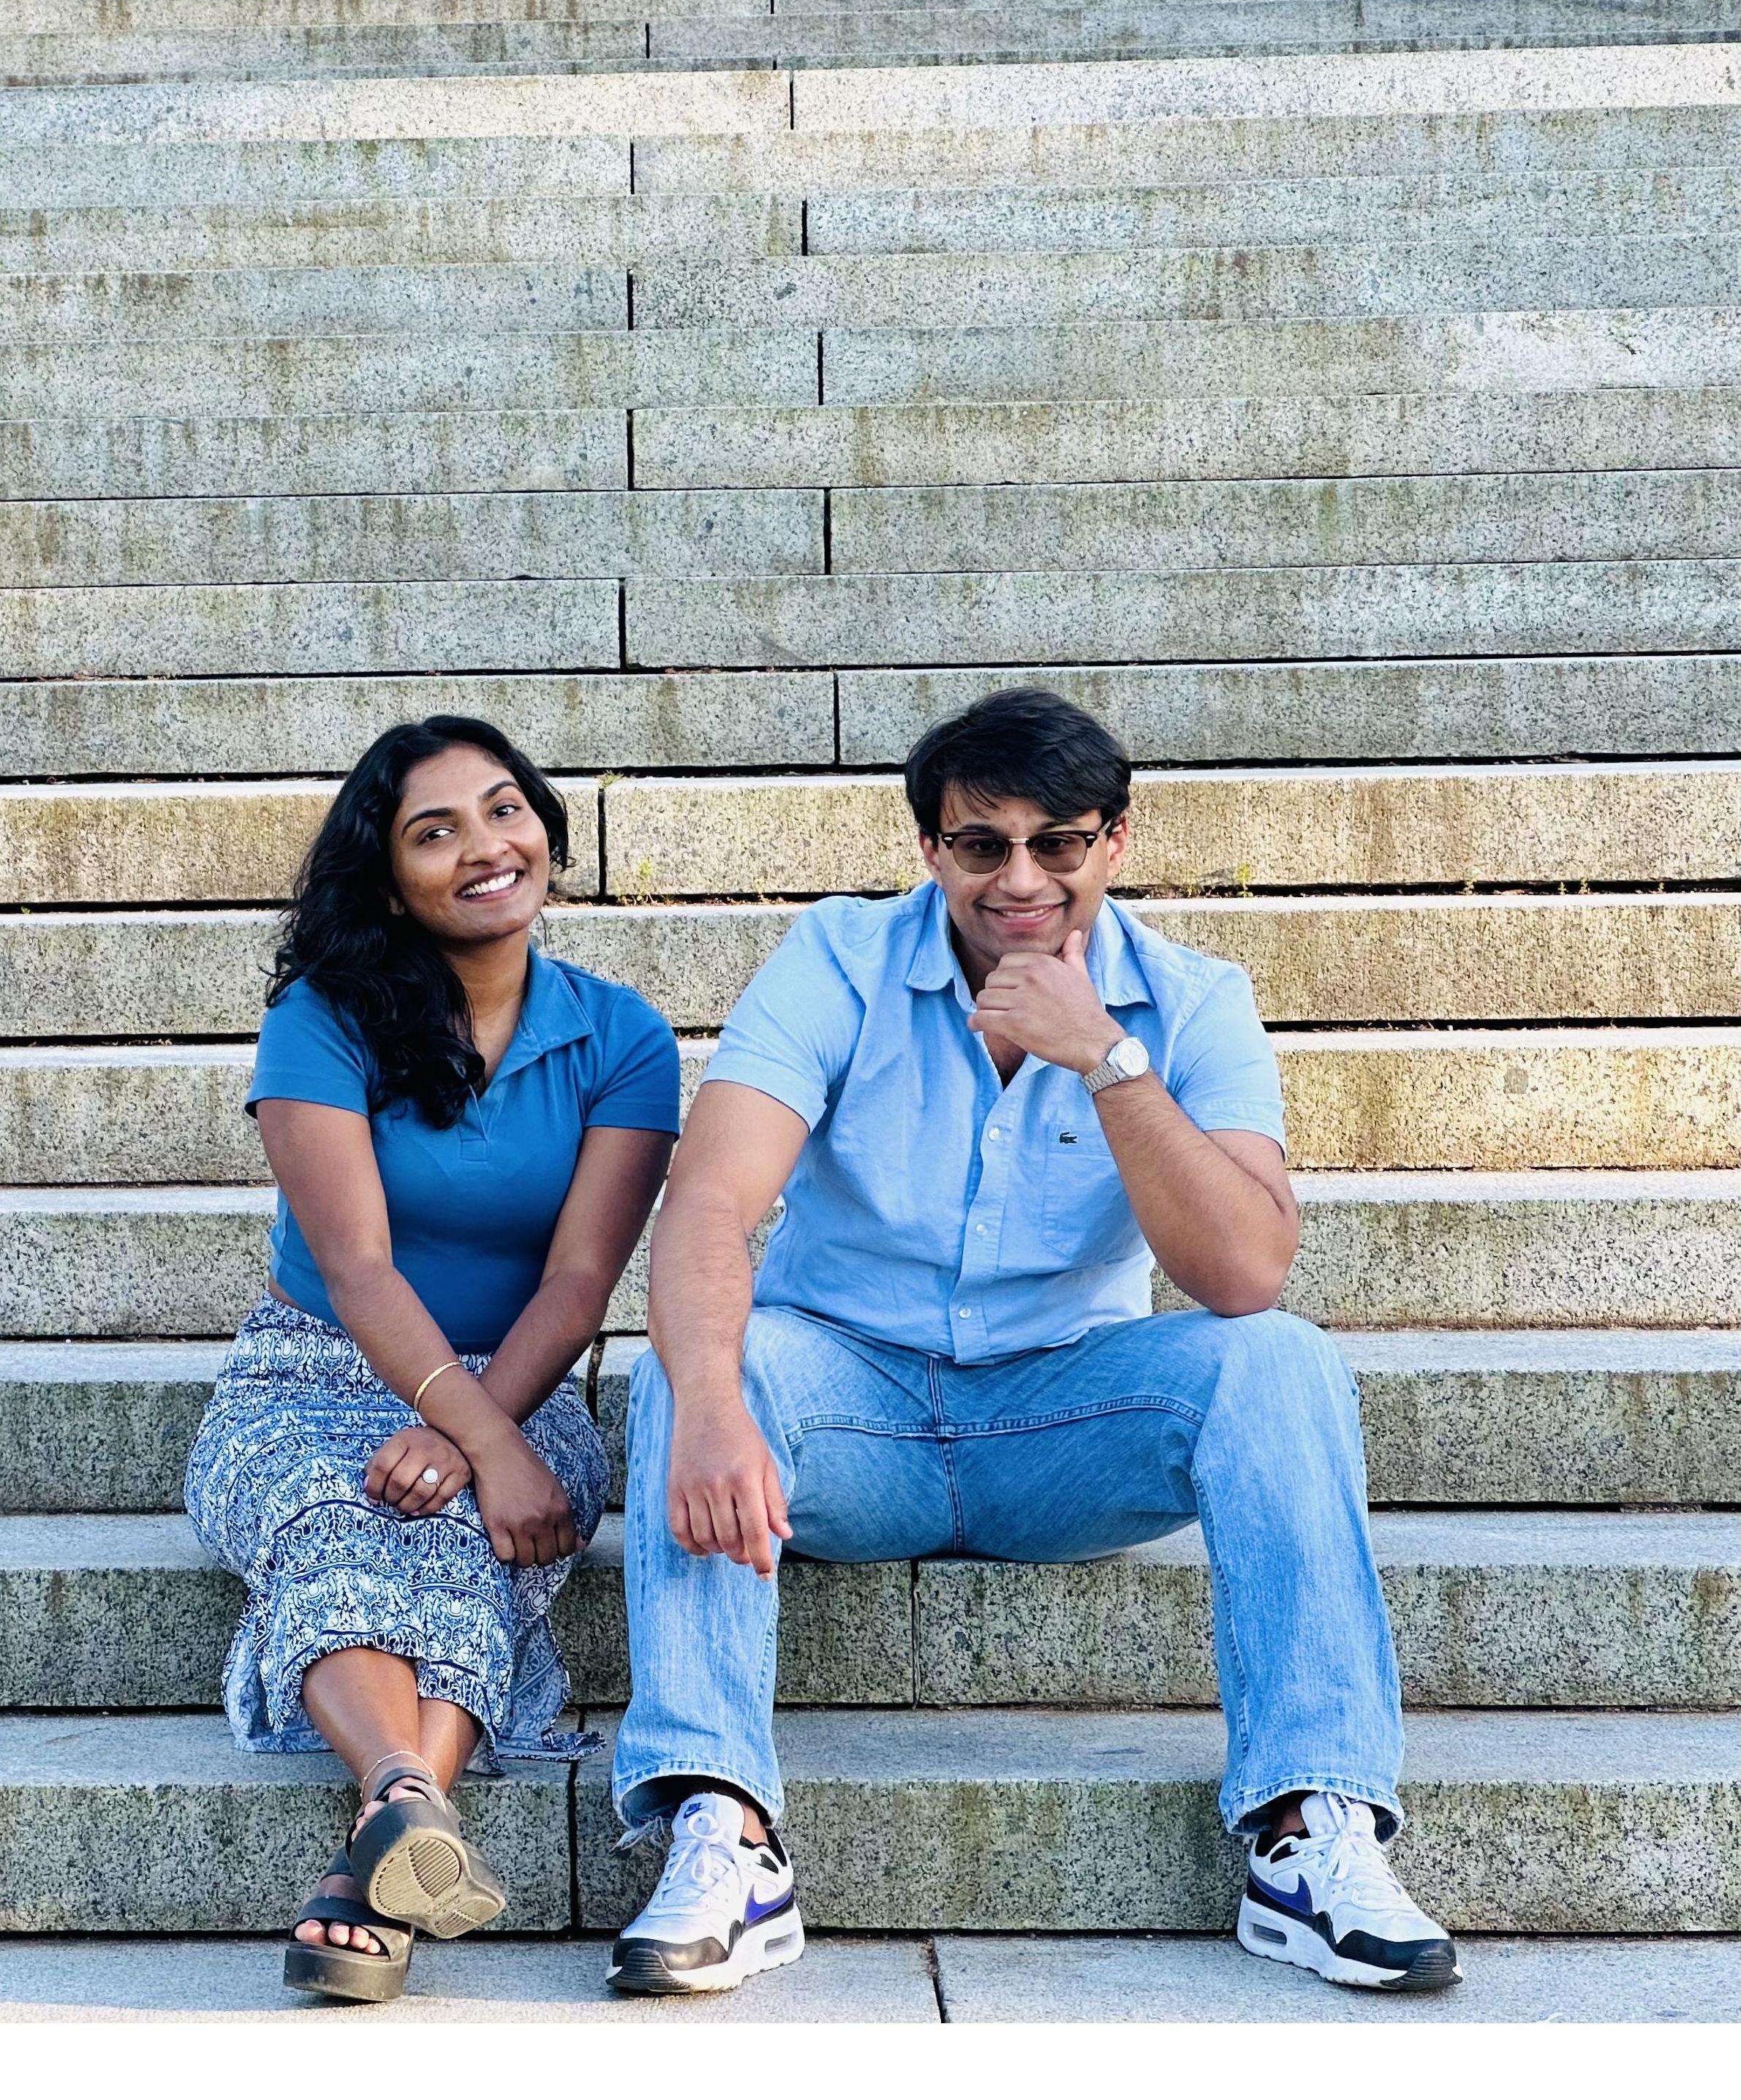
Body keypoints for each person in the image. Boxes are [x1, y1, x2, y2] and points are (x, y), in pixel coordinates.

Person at [606, 687, 1459, 1998]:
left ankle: (1310, 1828)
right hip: (849, 1412)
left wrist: (1105, 1057)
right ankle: (721, 1827)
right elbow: (710, 1206)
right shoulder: (835, 962)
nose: (1020, 879)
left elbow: (1241, 1268)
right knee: (704, 1356)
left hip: (1063, 1425)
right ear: (930, 850)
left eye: (1056, 843)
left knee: (1279, 1356)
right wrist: (714, 1408)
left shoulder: (1193, 1000)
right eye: (980, 844)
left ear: (1113, 843)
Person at [185, 715, 679, 2003]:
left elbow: (580, 1281)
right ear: (388, 873)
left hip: (519, 1372)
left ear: (548, 836)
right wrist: (477, 1438)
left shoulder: (621, 1038)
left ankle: (384, 1836)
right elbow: (352, 1268)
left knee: (468, 1532)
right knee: (344, 1514)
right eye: (434, 830)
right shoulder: (322, 1016)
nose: (482, 847)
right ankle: (402, 1810)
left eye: (504, 810)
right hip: (313, 1369)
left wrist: (487, 1432)